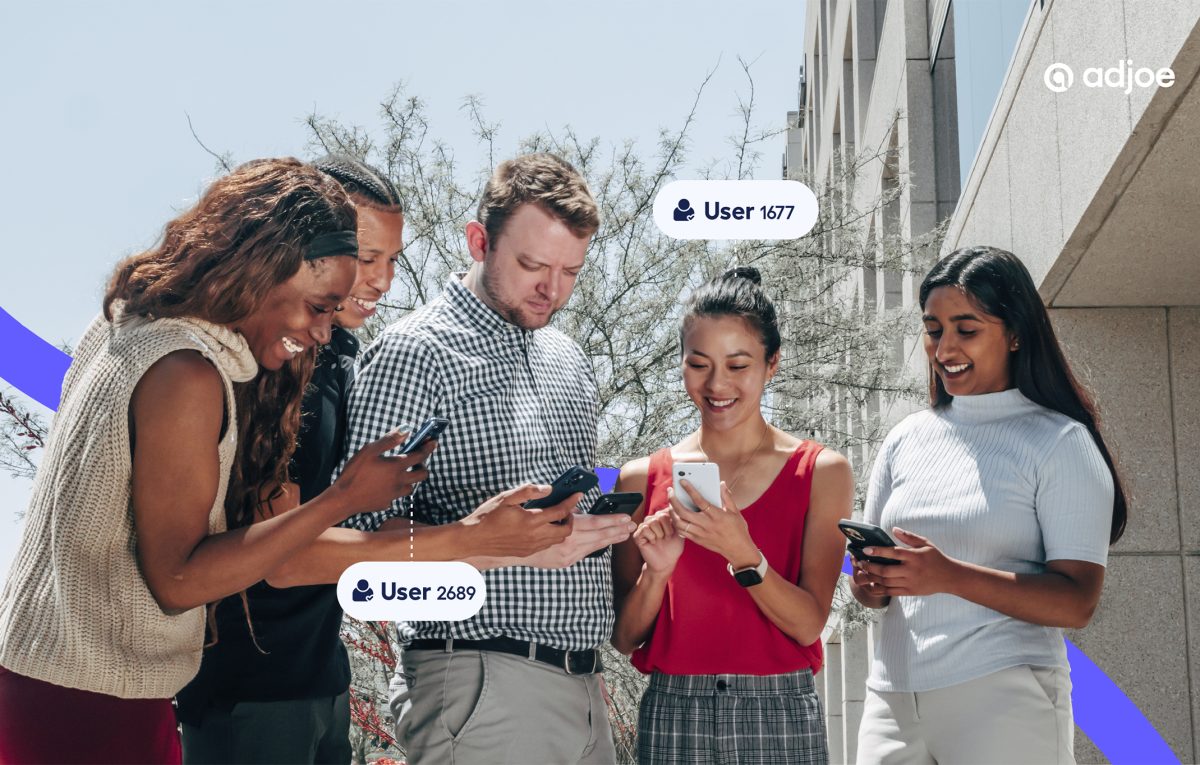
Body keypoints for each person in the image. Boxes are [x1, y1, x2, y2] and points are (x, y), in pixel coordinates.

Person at [175, 154, 612, 764]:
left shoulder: (336, 359)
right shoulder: (275, 364)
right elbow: (296, 557)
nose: (379, 281)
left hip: (321, 675)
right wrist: (478, 542)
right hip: (253, 687)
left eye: (390, 261)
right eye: (363, 257)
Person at [0, 158, 437, 764]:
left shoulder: (132, 324)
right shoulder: (188, 372)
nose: (321, 333)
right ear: (267, 268)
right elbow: (177, 581)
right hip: (90, 703)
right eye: (318, 306)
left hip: (58, 680)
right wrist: (345, 499)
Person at [338, 152, 636, 764]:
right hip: (478, 684)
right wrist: (496, 545)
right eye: (532, 265)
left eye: (570, 270)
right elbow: (353, 555)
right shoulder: (414, 353)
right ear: (479, 242)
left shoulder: (569, 360)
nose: (552, 289)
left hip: (584, 686)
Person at [851, 246, 1128, 764]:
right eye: (934, 330)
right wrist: (872, 585)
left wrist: (948, 576)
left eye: (967, 329)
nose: (945, 348)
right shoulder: (904, 439)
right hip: (892, 699)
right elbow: (876, 590)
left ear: (1015, 333)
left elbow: (1077, 603)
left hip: (1002, 696)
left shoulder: (1059, 441)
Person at [611, 266, 853, 765]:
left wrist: (742, 553)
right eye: (699, 364)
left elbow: (808, 625)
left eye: (738, 365)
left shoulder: (821, 472)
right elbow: (625, 637)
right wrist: (657, 573)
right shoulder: (640, 479)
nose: (717, 384)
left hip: (779, 713)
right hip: (674, 712)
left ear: (772, 364)